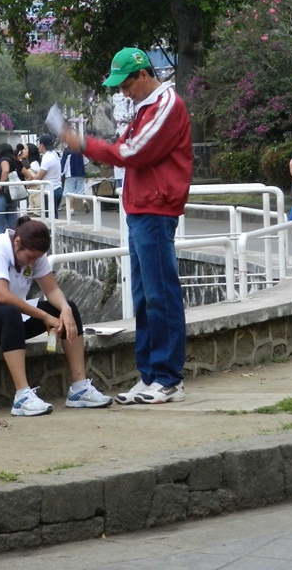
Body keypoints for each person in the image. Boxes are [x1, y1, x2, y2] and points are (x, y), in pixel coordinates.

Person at [62, 47, 193, 405]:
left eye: (126, 85)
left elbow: (132, 153)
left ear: (144, 75)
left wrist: (84, 144)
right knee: (144, 296)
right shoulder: (145, 107)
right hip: (140, 209)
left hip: (155, 210)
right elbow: (126, 148)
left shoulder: (166, 105)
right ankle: (150, 375)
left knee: (160, 294)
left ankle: (168, 378)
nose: (123, 93)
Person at [0, 217, 113, 416]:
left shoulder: (35, 254)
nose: (32, 262)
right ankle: (22, 396)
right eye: (30, 257)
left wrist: (65, 310)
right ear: (17, 243)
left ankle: (79, 389)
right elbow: (2, 296)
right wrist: (44, 317)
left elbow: (52, 290)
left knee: (68, 309)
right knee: (10, 311)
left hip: (6, 321)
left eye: (37, 258)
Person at [0, 143, 24, 235]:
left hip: (0, 196)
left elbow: (5, 170)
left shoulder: (4, 159)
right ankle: (16, 243)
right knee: (14, 229)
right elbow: (29, 176)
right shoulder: (16, 161)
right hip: (12, 197)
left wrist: (0, 186)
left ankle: (1, 244)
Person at [34, 134, 63, 218]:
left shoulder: (47, 158)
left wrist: (29, 182)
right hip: (57, 188)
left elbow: (40, 177)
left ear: (42, 145)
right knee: (53, 217)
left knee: (49, 218)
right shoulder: (54, 154)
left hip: (50, 191)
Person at [61, 144, 90, 214]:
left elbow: (63, 163)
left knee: (71, 193)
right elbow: (86, 161)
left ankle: (71, 209)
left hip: (70, 174)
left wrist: (61, 173)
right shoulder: (80, 150)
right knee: (81, 190)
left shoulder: (67, 151)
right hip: (80, 173)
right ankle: (84, 200)